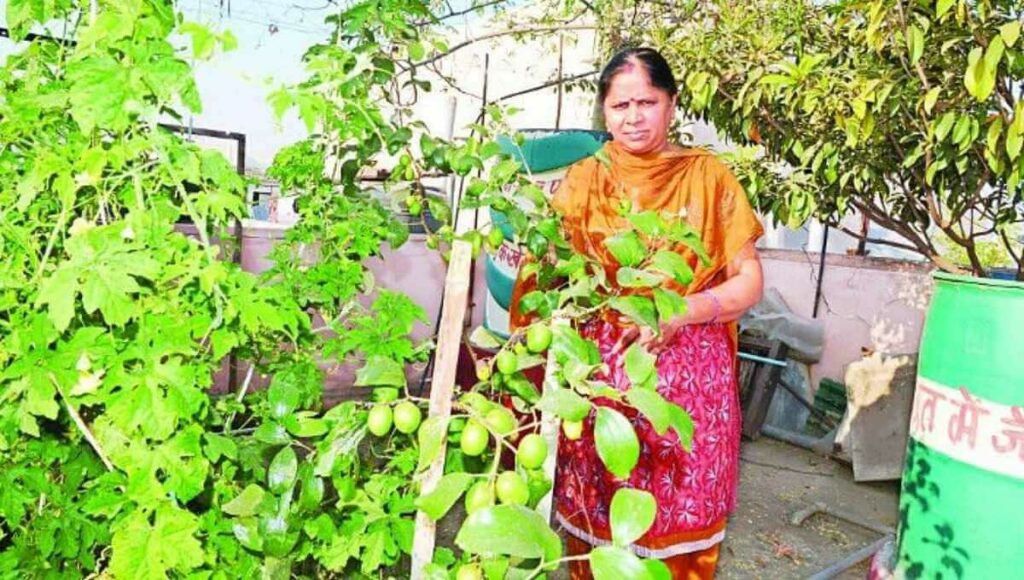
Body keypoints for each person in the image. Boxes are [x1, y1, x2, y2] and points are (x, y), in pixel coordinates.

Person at [509, 47, 764, 578]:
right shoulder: (583, 181)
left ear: (672, 104)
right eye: (620, 104)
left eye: (647, 102)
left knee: (679, 539)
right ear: (603, 110)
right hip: (602, 394)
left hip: (690, 392)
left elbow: (748, 281)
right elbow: (546, 277)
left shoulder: (708, 177)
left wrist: (683, 310)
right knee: (599, 531)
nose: (633, 117)